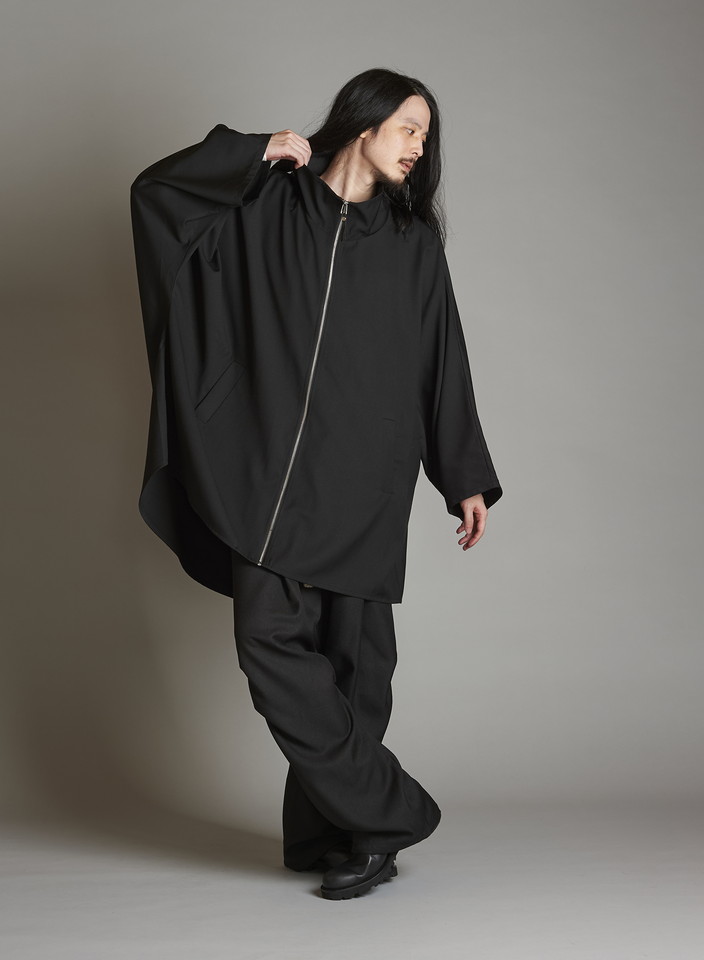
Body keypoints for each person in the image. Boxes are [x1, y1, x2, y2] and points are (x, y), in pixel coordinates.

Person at [130, 68, 502, 900]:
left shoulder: (410, 244)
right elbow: (157, 196)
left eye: (426, 135)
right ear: (364, 123)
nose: (420, 146)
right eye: (409, 127)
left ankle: (329, 834)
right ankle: (389, 814)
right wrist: (249, 153)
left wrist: (464, 476)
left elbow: (442, 358)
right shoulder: (266, 208)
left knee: (356, 669)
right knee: (270, 644)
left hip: (367, 481)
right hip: (268, 480)